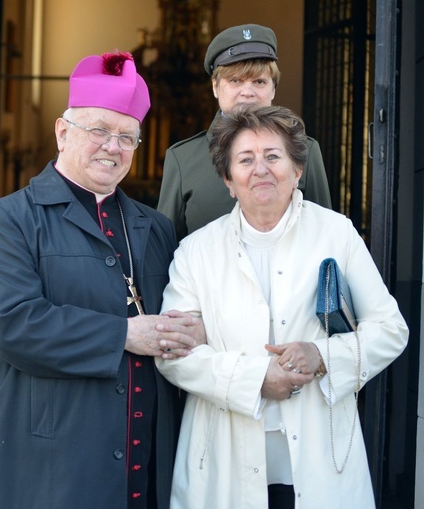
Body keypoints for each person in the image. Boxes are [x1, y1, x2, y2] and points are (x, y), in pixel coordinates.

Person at [0, 52, 205, 508]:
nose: (112, 147)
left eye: (127, 137)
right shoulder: (8, 219)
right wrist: (124, 334)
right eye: (98, 130)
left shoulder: (155, 227)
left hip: (142, 456)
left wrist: (192, 330)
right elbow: (13, 324)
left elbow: (176, 317)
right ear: (62, 132)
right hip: (50, 462)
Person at [155, 105, 408, 508]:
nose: (261, 169)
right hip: (223, 460)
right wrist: (254, 379)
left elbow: (390, 329)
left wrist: (321, 355)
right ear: (227, 179)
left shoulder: (336, 233)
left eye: (273, 156)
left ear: (297, 170)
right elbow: (173, 354)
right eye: (245, 159)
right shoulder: (196, 251)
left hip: (321, 453)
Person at [157, 23, 332, 239]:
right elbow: (163, 248)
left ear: (273, 88)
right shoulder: (182, 159)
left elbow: (324, 234)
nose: (247, 92)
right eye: (235, 81)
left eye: (259, 81)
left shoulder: (305, 150)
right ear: (214, 86)